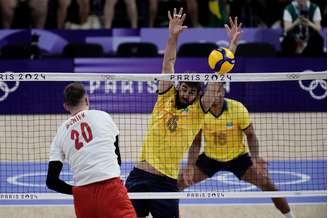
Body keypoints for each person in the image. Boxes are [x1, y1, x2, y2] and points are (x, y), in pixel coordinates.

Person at [125, 8, 241, 218]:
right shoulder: (165, 97)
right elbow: (168, 64)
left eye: (192, 92)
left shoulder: (198, 111)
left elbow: (218, 79)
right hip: (139, 177)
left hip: (166, 183)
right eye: (185, 89)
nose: (187, 94)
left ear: (198, 95)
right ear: (179, 87)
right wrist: (172, 36)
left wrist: (231, 46)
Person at [178, 83, 295, 218]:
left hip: (238, 158)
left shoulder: (237, 108)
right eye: (211, 92)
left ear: (223, 92)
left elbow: (250, 135)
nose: (214, 95)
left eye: (217, 91)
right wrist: (190, 166)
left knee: (268, 184)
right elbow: (196, 141)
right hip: (210, 159)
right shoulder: (200, 111)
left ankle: (290, 216)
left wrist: (255, 158)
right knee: (178, 183)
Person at [46, 82, 136, 218]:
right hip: (110, 189)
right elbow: (117, 159)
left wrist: (77, 191)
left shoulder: (60, 133)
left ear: (65, 106)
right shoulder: (103, 116)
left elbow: (51, 181)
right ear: (87, 99)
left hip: (83, 197)